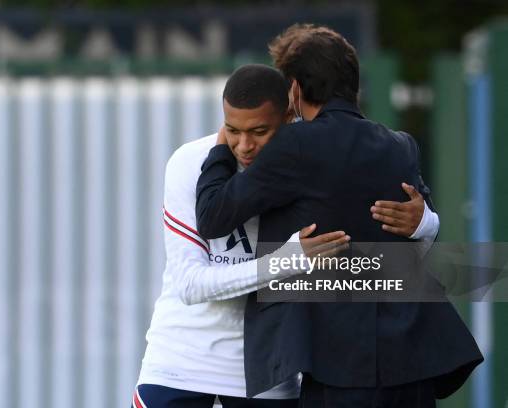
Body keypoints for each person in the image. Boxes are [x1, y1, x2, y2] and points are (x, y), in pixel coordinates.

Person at [195, 26, 483, 407]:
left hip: (341, 366)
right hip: (413, 358)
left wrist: (220, 149)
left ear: (294, 90)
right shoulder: (399, 145)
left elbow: (214, 215)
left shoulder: (294, 146)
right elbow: (423, 225)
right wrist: (428, 222)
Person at [134, 64, 439, 408]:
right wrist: (286, 262)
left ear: (290, 117)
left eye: (260, 131)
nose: (244, 146)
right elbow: (191, 285)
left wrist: (426, 225)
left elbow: (382, 269)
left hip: (267, 375)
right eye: (233, 130)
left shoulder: (317, 164)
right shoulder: (189, 162)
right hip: (177, 366)